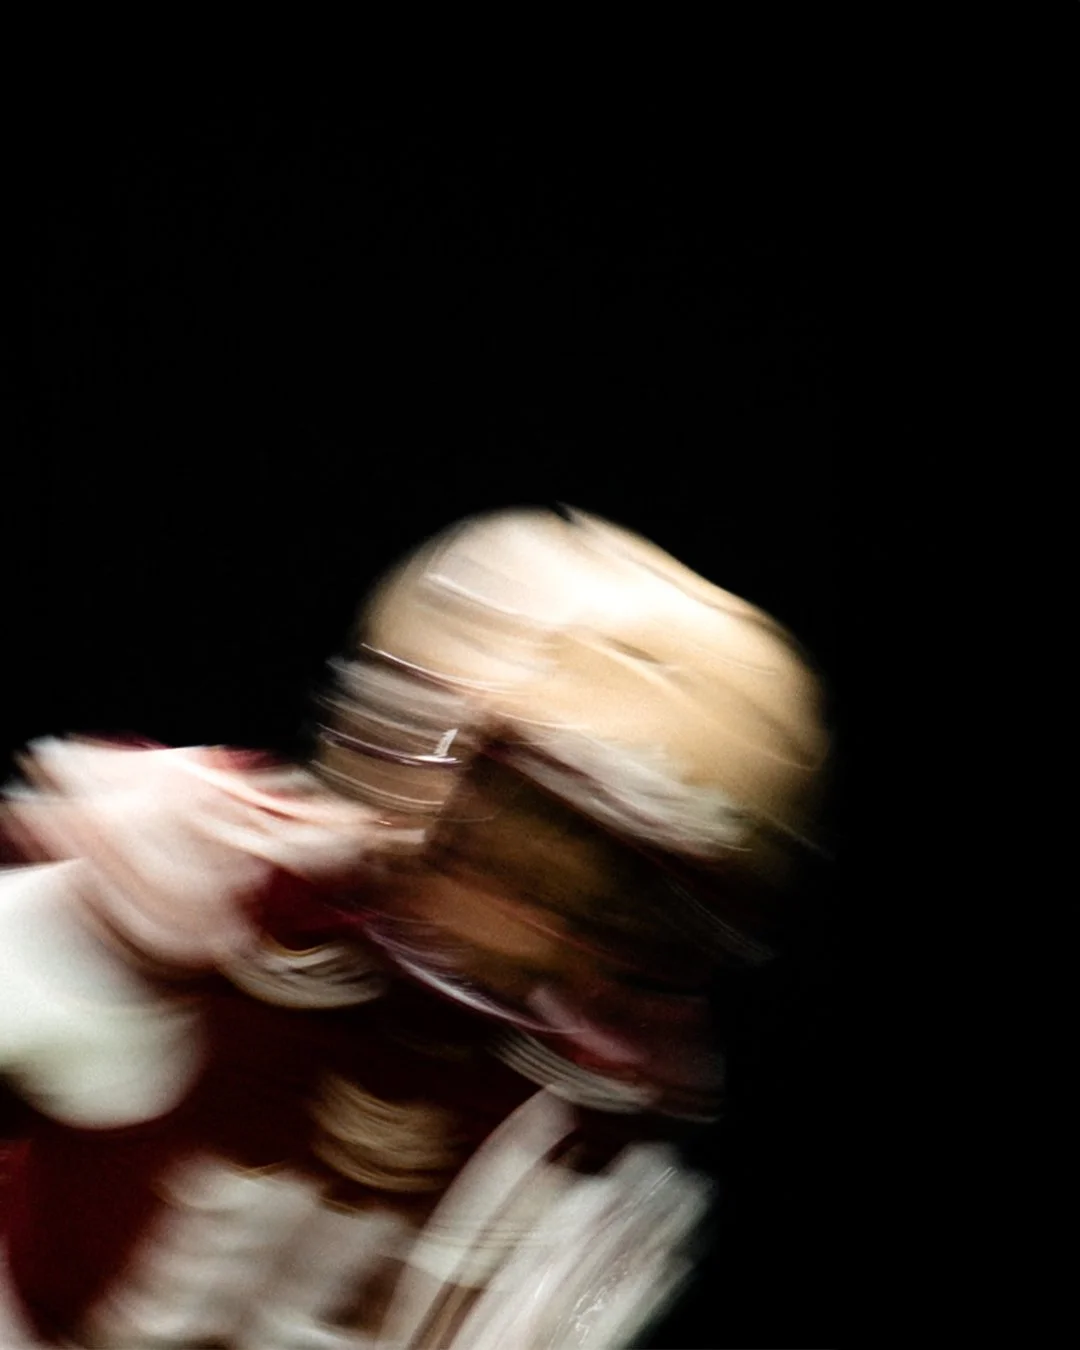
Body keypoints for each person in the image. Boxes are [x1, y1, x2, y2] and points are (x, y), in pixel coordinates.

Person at [0, 506, 830, 1348]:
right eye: (537, 838)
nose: (546, 923)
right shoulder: (193, 887)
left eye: (625, 891)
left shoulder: (594, 1125)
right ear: (420, 741)